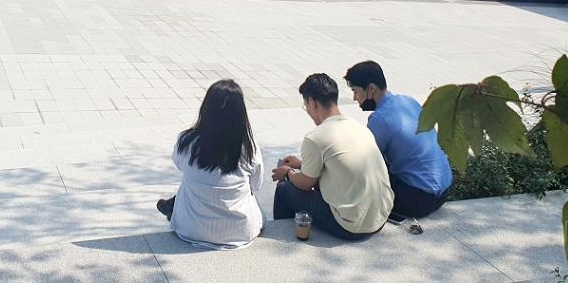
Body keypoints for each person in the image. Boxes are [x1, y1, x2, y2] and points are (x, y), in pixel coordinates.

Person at [272, 73, 393, 240]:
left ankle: (285, 235)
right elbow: (338, 161)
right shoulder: (358, 127)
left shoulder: (315, 137)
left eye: (305, 106)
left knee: (284, 189)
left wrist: (288, 173)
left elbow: (306, 184)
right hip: (380, 217)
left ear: (312, 102)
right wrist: (301, 164)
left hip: (351, 227)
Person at [156, 79, 264, 250]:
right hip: (239, 231)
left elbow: (179, 164)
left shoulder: (187, 141)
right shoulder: (248, 147)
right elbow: (256, 184)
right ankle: (174, 204)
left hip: (190, 229)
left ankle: (173, 205)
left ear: (206, 108)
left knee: (189, 185)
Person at [345, 61, 452, 219]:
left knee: (357, 180)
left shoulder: (380, 118)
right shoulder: (409, 101)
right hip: (445, 189)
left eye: (356, 91)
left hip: (420, 199)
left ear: (371, 89)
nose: (354, 98)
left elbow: (364, 162)